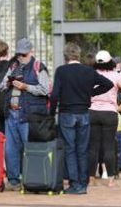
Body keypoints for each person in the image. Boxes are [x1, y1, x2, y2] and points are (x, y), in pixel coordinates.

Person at [49, 43, 114, 194]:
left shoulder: (61, 71)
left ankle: (74, 183)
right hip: (84, 113)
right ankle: (83, 184)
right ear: (79, 55)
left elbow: (54, 95)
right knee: (83, 149)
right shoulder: (88, 71)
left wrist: (51, 113)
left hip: (67, 113)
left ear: (65, 56)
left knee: (70, 149)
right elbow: (108, 84)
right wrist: (91, 93)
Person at [0, 38, 51, 192]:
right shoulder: (13, 65)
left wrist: (25, 87)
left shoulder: (38, 67)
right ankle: (13, 180)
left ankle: (30, 179)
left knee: (29, 148)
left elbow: (45, 89)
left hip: (29, 114)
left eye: (24, 54)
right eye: (19, 54)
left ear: (30, 52)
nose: (21, 57)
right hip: (11, 113)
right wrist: (9, 83)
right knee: (10, 149)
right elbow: (1, 86)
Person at [88, 50, 121, 187]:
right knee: (109, 147)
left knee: (93, 147)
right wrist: (120, 107)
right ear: (110, 62)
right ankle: (111, 179)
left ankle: (91, 178)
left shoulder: (91, 74)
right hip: (110, 113)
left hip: (92, 111)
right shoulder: (115, 75)